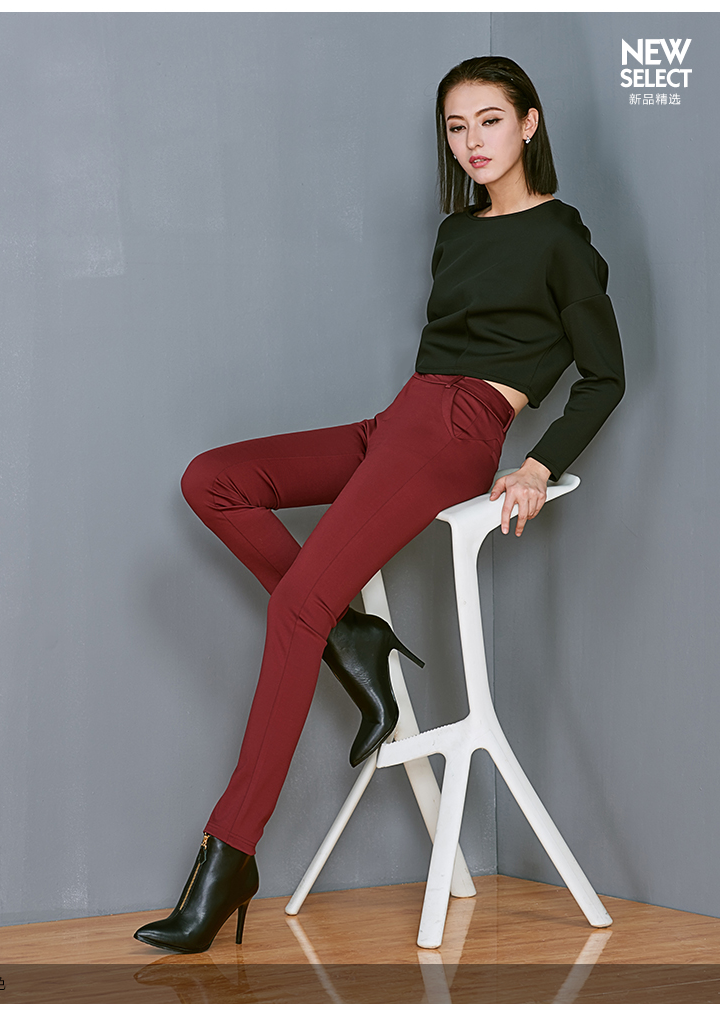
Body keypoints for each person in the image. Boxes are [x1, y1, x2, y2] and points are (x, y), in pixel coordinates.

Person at [134, 55, 625, 954]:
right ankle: (352, 639)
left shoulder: (562, 239)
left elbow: (604, 375)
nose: (472, 141)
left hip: (458, 430)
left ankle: (229, 851)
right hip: (401, 417)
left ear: (529, 123)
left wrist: (537, 465)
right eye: (456, 127)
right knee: (213, 479)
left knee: (296, 602)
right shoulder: (456, 233)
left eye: (489, 120)